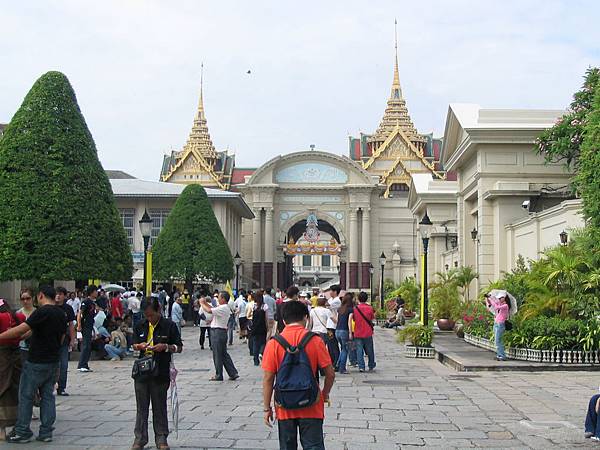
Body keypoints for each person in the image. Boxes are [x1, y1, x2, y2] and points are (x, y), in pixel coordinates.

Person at [262, 301, 335, 450]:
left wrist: (266, 407)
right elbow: (330, 374)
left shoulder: (274, 343)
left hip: (284, 405)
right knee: (313, 446)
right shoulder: (315, 340)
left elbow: (268, 379)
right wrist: (324, 394)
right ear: (306, 318)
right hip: (312, 404)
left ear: (283, 320)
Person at [1, 285, 67, 443]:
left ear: (41, 296)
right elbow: (60, 336)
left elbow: (20, 329)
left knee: (26, 396)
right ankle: (46, 432)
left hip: (36, 361)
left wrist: (2, 336)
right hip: (52, 361)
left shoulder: (42, 311)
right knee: (47, 396)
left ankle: (23, 431)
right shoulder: (61, 313)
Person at [131, 297, 182, 450]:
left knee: (159, 406)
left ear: (158, 310)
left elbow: (178, 347)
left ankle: (161, 437)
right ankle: (140, 438)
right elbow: (133, 344)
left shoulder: (169, 326)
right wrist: (139, 346)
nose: (149, 319)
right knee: (142, 407)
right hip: (142, 370)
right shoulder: (140, 325)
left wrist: (165, 347)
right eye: (146, 316)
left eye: (151, 315)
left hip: (160, 370)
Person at [0, 299, 25, 441]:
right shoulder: (18, 316)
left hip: (2, 356)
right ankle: (18, 425)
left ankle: (1, 430)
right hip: (15, 356)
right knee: (15, 389)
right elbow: (27, 331)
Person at [200, 292, 239, 381]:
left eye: (219, 297)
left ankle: (219, 374)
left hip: (217, 332)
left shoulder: (224, 307)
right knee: (223, 354)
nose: (218, 299)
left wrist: (202, 303)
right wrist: (205, 303)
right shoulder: (223, 307)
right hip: (220, 331)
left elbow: (209, 311)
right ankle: (232, 372)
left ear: (223, 299)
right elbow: (212, 309)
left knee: (217, 354)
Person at [55, 287, 76, 396]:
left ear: (64, 296)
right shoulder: (50, 307)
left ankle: (61, 387)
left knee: (63, 365)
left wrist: (73, 339)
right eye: (56, 294)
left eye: (60, 294)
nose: (58, 296)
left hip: (64, 341)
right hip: (51, 341)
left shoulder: (68, 308)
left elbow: (71, 325)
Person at [353, 291, 376, 373]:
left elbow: (354, 319)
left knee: (359, 350)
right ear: (367, 299)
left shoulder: (355, 308)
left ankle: (361, 366)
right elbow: (372, 318)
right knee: (369, 349)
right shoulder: (370, 308)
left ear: (359, 298)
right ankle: (371, 365)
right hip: (367, 332)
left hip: (358, 332)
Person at [77, 285, 98, 373]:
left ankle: (85, 364)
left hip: (90, 325)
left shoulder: (92, 303)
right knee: (85, 345)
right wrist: (79, 325)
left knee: (88, 345)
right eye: (96, 291)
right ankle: (81, 364)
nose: (97, 293)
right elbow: (80, 313)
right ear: (92, 292)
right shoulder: (86, 302)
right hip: (85, 326)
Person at [486, 291, 510, 361]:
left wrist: (491, 300)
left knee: (498, 340)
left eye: (500, 298)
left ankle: (502, 356)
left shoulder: (505, 306)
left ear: (504, 298)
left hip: (500, 324)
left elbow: (496, 307)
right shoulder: (499, 303)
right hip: (496, 323)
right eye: (498, 298)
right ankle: (499, 355)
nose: (499, 299)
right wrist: (488, 298)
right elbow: (491, 303)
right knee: (497, 340)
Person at [335, 293, 354, 374]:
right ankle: (342, 368)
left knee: (342, 348)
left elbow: (337, 319)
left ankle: (338, 365)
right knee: (345, 350)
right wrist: (350, 333)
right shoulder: (350, 309)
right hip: (344, 331)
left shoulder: (340, 309)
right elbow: (349, 321)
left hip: (337, 331)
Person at [325, 285, 341, 370]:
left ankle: (336, 363)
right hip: (329, 325)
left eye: (331, 290)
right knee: (330, 345)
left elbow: (327, 305)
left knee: (333, 345)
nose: (330, 292)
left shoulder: (337, 300)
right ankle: (332, 362)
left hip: (333, 326)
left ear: (335, 292)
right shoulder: (331, 299)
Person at [249, 293, 267, 366]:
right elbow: (266, 318)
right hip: (262, 327)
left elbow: (250, 315)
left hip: (255, 327)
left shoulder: (254, 306)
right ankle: (261, 352)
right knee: (263, 342)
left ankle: (255, 360)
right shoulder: (264, 306)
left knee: (255, 343)